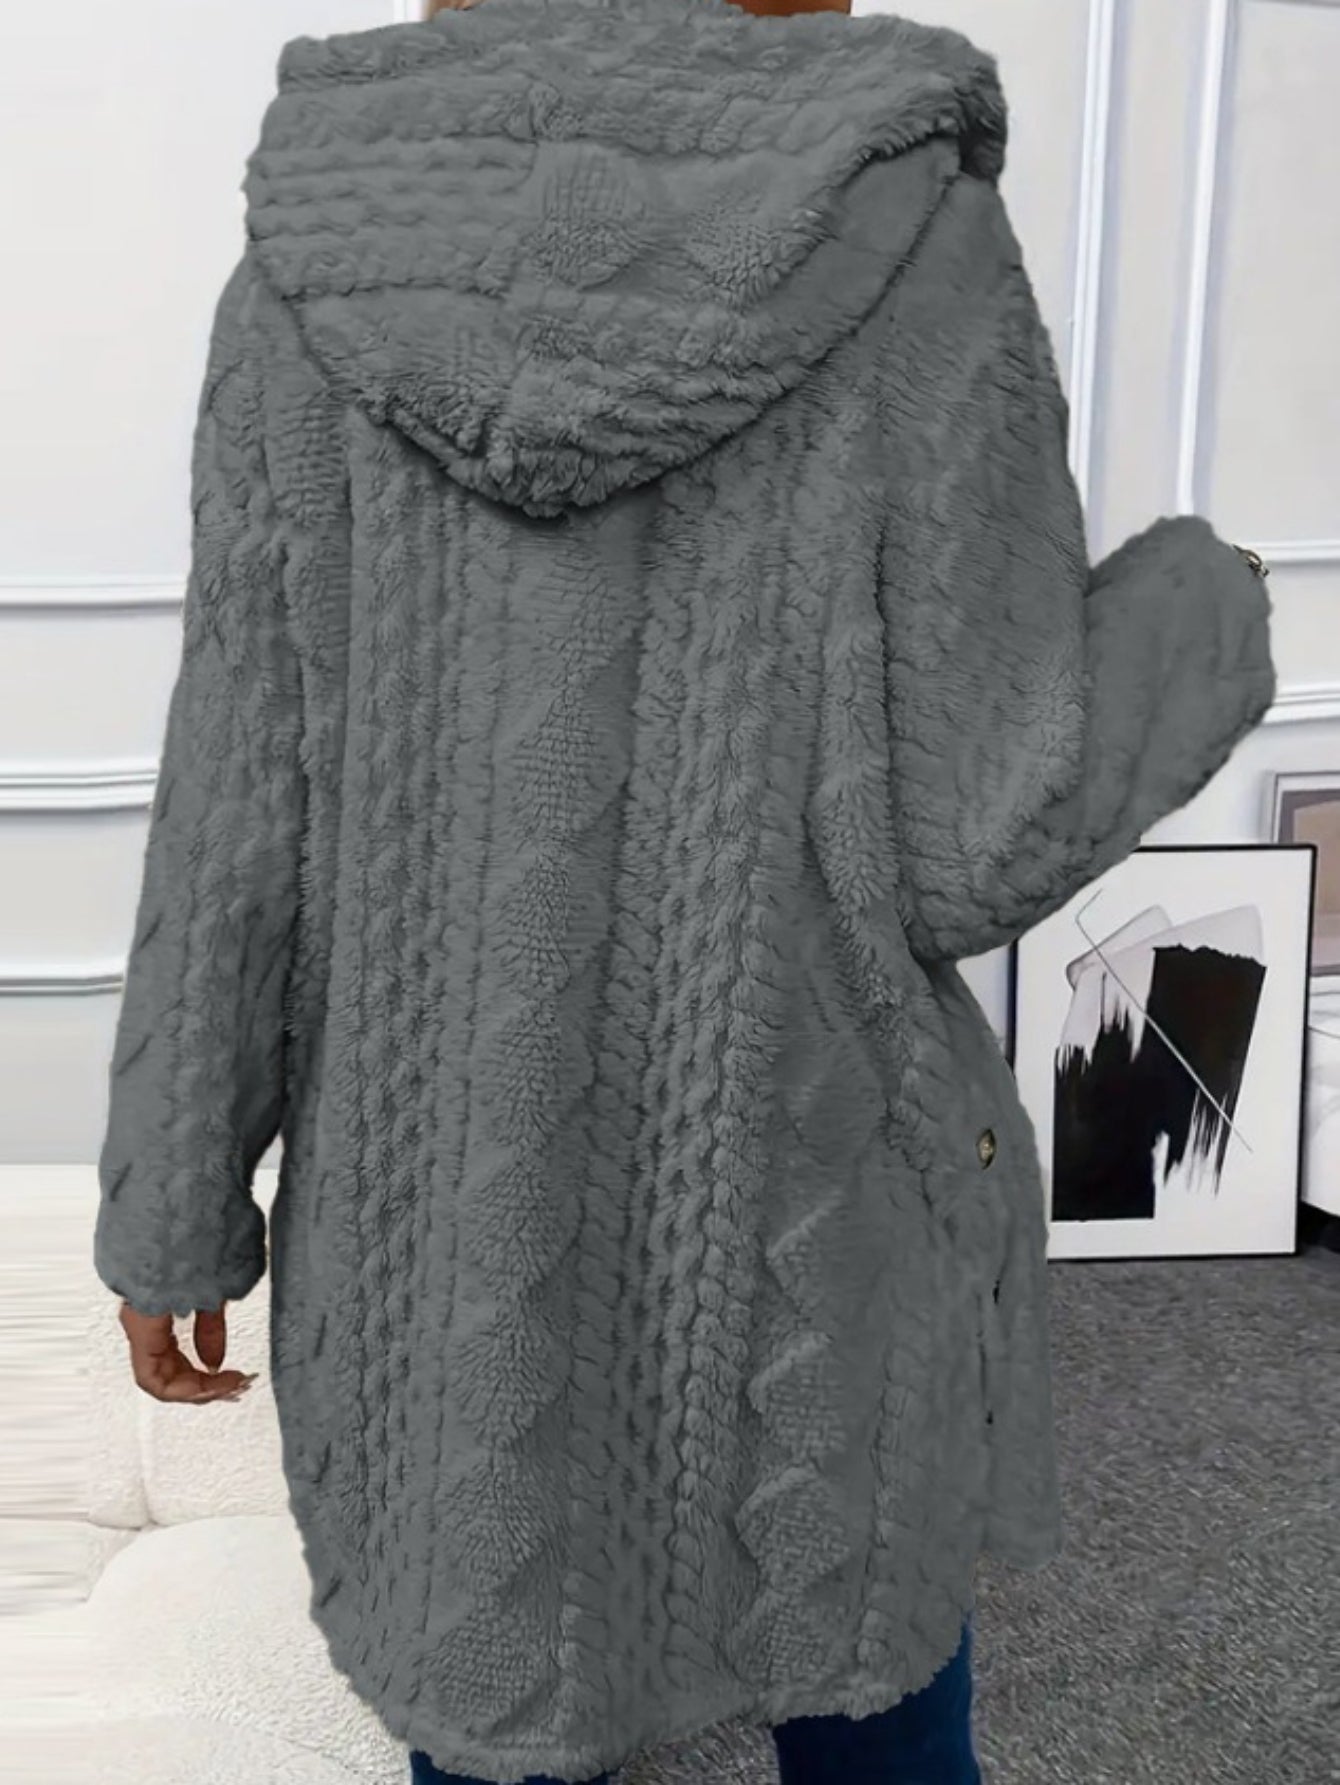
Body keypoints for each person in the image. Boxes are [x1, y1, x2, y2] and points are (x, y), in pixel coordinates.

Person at [94, 0, 1276, 1781]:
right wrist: (1205, 605)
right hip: (808, 1163)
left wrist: (175, 1195)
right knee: (867, 1682)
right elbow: (986, 831)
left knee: (485, 1662)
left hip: (440, 1196)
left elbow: (237, 792)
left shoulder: (309, 275)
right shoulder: (912, 240)